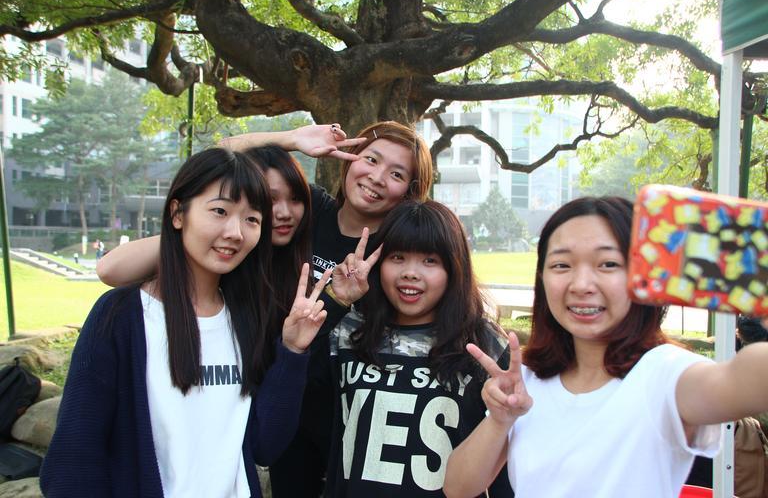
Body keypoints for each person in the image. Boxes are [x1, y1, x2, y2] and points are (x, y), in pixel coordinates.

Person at [95, 122, 435, 497]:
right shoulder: (307, 211)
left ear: (410, 190)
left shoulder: (399, 248)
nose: (377, 177)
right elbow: (222, 160)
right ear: (349, 159)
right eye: (370, 159)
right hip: (285, 406)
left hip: (356, 413)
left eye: (396, 174)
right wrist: (292, 140)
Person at [40, 148, 330, 498]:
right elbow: (73, 459)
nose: (235, 232)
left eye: (252, 219)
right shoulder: (122, 316)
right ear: (178, 214)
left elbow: (264, 446)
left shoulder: (247, 318)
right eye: (220, 211)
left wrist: (292, 351)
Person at [444, 196, 768, 498]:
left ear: (641, 275)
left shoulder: (666, 374)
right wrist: (500, 419)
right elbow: (459, 488)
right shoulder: (527, 380)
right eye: (561, 265)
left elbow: (750, 378)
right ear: (541, 277)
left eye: (608, 264)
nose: (582, 285)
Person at [323, 200, 513, 497]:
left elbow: (504, 461)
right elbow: (307, 408)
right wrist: (335, 303)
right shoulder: (348, 330)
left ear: (454, 268)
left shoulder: (484, 344)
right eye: (397, 257)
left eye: (430, 260)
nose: (410, 273)